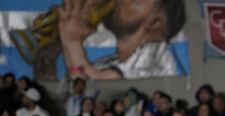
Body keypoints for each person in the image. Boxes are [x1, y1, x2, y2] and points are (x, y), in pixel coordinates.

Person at [58, 0, 186, 79]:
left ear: (154, 22)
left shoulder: (159, 58)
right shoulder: (106, 63)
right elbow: (76, 75)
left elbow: (87, 86)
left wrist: (71, 40)